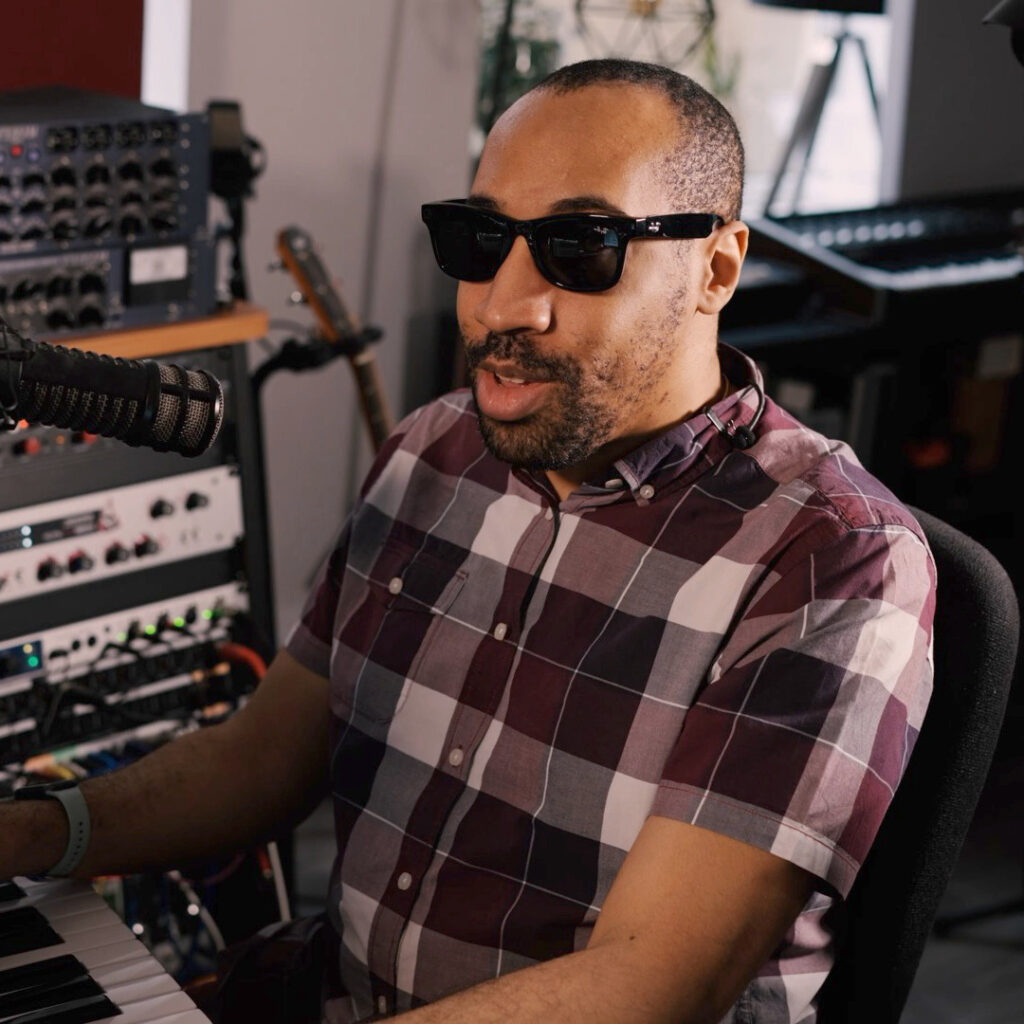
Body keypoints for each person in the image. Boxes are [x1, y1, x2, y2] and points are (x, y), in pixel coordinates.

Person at [0, 59, 934, 1023]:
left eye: (579, 246)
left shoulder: (834, 560)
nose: (499, 305)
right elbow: (264, 758)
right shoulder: (432, 449)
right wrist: (28, 837)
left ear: (717, 267)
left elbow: (649, 986)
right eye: (481, 240)